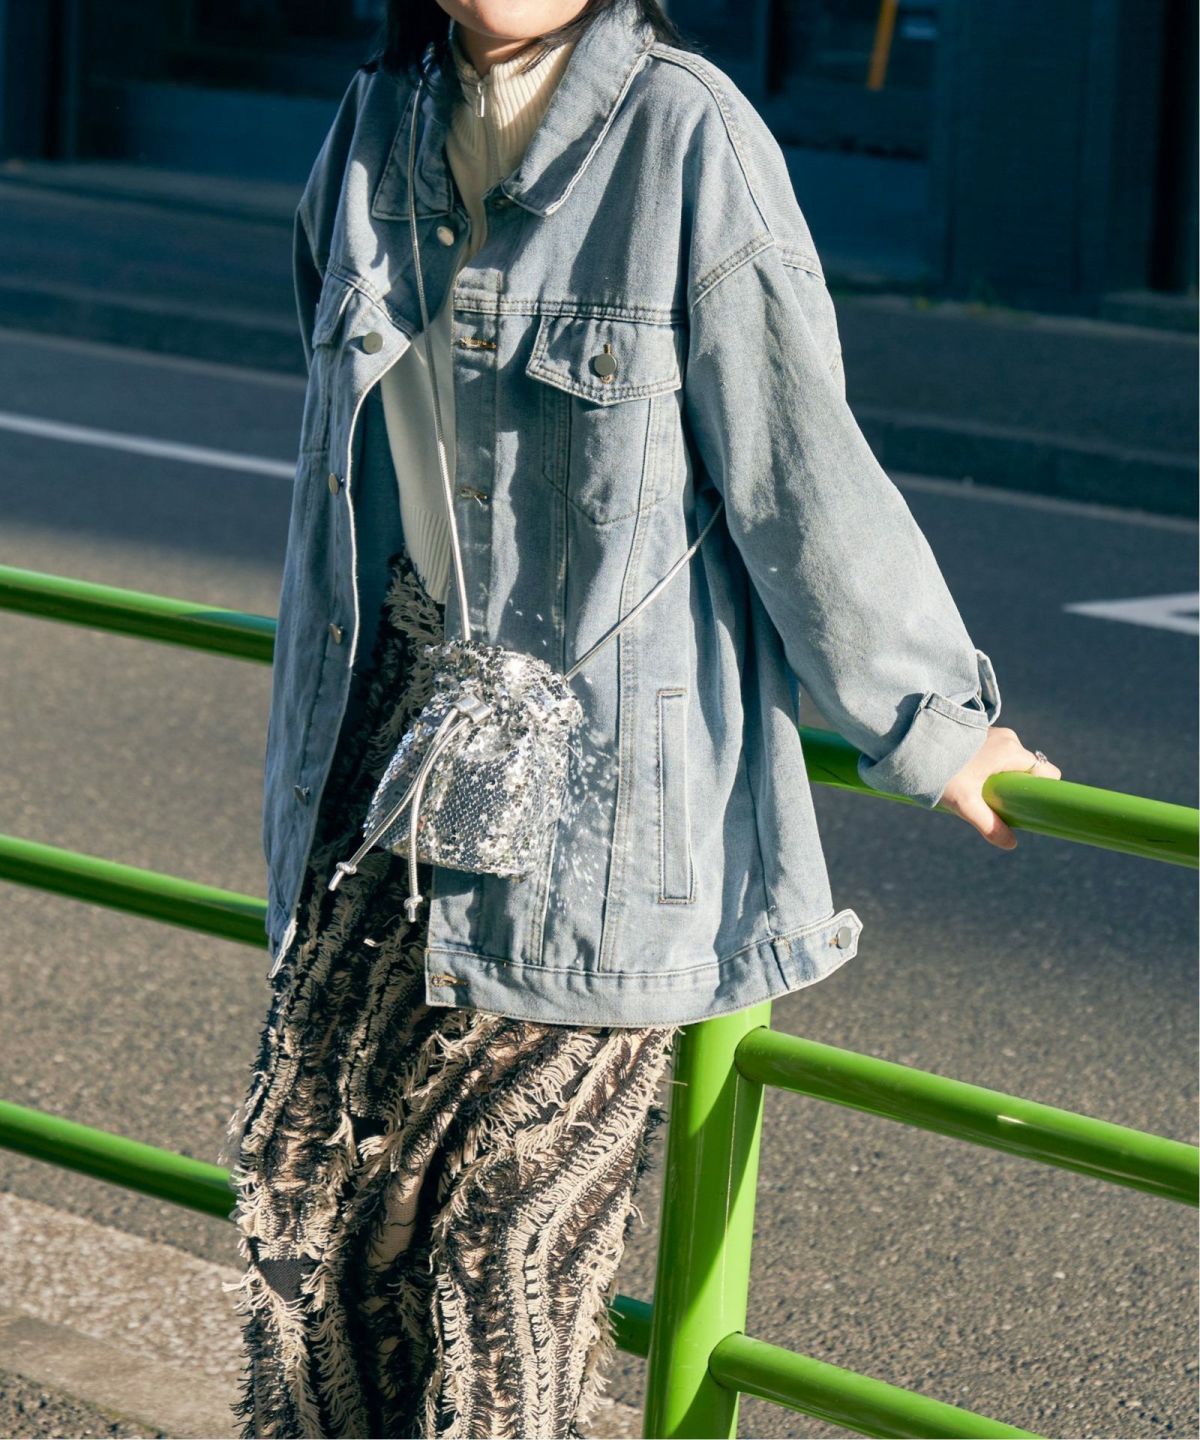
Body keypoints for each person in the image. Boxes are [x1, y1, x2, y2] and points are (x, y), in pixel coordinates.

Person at [221, 2, 1062, 1436]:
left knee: (506, 1260)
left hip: (608, 796)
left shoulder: (687, 133)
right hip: (390, 760)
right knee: (320, 1214)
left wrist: (936, 722)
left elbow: (797, 461)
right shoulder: (376, 123)